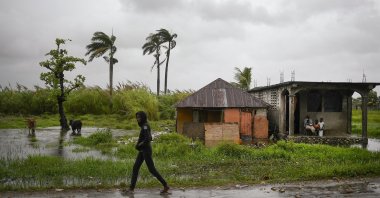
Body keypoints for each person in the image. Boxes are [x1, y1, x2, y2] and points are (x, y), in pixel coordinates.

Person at [125, 111, 169, 194]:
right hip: (143, 150)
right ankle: (131, 189)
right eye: (137, 117)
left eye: (139, 117)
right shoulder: (144, 126)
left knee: (152, 170)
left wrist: (139, 145)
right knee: (135, 168)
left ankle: (165, 185)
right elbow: (150, 137)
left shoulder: (145, 126)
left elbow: (148, 138)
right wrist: (139, 145)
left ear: (143, 117)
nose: (138, 119)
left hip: (146, 151)